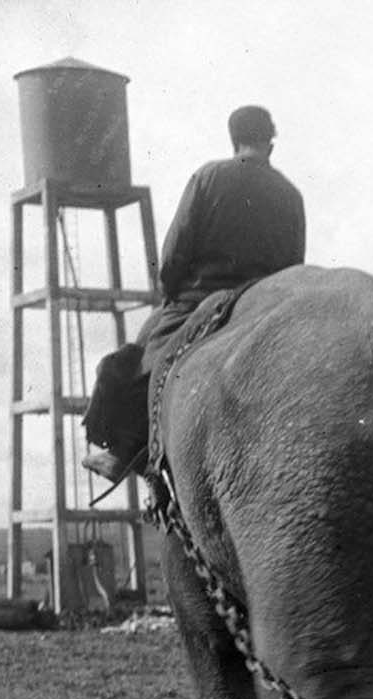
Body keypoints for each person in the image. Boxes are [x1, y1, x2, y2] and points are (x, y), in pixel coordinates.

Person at [83, 105, 307, 485]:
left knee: (143, 363)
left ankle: (122, 453)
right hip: (272, 299)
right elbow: (296, 262)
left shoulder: (209, 177)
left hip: (202, 297)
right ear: (270, 143)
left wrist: (170, 295)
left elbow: (174, 253)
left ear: (233, 139)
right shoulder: (291, 194)